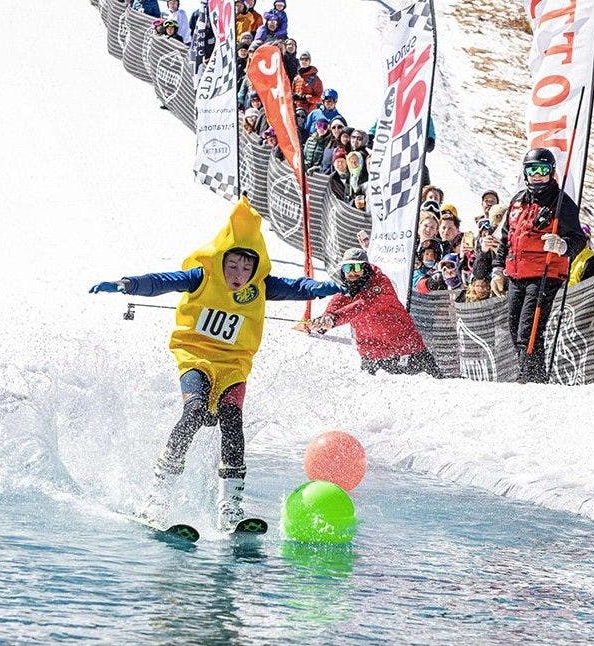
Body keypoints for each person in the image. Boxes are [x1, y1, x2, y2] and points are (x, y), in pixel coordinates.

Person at [88, 199, 342, 528]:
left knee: (232, 422)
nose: (238, 275)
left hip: (234, 366)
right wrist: (128, 284)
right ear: (221, 260)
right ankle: (157, 496)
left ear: (256, 267)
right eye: (232, 266)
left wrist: (320, 288)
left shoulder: (260, 287)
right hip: (196, 356)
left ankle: (230, 507)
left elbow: (297, 287)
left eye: (246, 268)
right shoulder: (203, 277)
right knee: (193, 412)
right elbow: (163, 281)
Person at [490, 147, 586, 383]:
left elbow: (579, 239)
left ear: (552, 172)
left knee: (529, 329)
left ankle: (529, 377)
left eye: (543, 169)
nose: (537, 175)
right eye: (532, 169)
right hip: (516, 274)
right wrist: (497, 269)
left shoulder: (561, 202)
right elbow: (506, 239)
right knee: (514, 327)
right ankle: (535, 374)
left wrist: (562, 245)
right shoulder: (517, 201)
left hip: (544, 274)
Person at [310, 248, 444, 378]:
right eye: (347, 268)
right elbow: (337, 302)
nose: (352, 273)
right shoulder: (348, 287)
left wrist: (334, 319)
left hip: (406, 351)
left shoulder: (380, 284)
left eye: (357, 267)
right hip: (371, 357)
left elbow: (362, 306)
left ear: (366, 268)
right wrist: (325, 319)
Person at [292, 52, 323, 116]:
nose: (304, 61)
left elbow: (320, 99)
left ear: (309, 61)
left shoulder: (315, 79)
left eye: (306, 59)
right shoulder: (297, 78)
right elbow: (292, 93)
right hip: (295, 110)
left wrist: (306, 98)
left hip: (308, 112)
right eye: (302, 59)